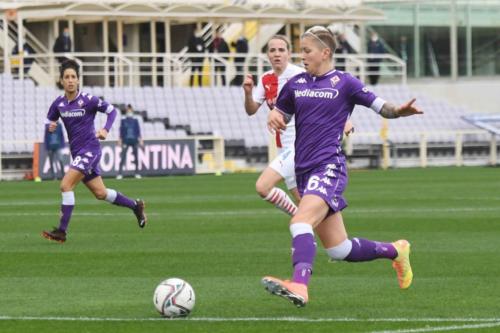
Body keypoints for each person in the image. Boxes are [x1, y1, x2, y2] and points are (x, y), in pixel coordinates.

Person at [262, 26, 422, 307]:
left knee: (300, 222)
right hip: (304, 171)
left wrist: (398, 112)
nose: (303, 56)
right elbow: (280, 112)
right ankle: (396, 251)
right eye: (301, 51)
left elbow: (382, 106)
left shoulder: (345, 83)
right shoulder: (296, 84)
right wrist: (274, 117)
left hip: (329, 167)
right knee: (339, 249)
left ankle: (300, 285)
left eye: (307, 51)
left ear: (325, 53)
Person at [41, 60, 147, 244]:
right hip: (77, 153)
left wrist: (105, 129)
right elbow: (48, 120)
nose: (70, 80)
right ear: (61, 81)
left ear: (78, 80)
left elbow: (112, 111)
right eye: (67, 77)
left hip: (90, 150)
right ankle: (135, 206)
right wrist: (50, 126)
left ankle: (61, 231)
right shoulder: (58, 104)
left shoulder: (88, 100)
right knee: (101, 193)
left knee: (66, 185)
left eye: (73, 77)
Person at [243, 35, 304, 216]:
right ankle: (331, 239)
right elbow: (251, 110)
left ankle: (298, 219)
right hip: (283, 147)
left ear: (289, 53)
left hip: (299, 144)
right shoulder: (265, 79)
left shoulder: (300, 75)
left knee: (263, 187)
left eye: (281, 50)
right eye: (272, 50)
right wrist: (248, 93)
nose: (277, 54)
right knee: (305, 203)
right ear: (267, 55)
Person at [117, 104, 143, 179]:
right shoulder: (123, 120)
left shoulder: (135, 121)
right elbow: (121, 130)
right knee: (123, 157)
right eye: (128, 110)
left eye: (130, 110)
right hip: (126, 140)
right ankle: (120, 173)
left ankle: (137, 173)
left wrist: (140, 139)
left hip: (134, 140)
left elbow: (138, 130)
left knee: (136, 157)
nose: (129, 112)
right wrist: (120, 139)